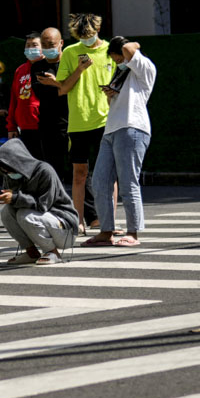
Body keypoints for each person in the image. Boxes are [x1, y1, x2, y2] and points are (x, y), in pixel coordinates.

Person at [43, 13, 116, 234]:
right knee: (79, 173)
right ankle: (79, 221)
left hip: (106, 120)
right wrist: (80, 69)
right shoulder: (70, 52)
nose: (86, 39)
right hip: (78, 121)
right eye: (81, 36)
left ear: (97, 31)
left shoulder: (110, 50)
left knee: (108, 174)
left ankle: (109, 221)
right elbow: (63, 89)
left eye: (89, 35)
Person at [84, 37, 157, 248]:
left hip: (132, 127)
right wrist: (111, 93)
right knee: (99, 181)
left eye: (117, 58)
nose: (117, 62)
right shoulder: (122, 74)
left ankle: (133, 232)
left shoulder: (144, 67)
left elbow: (128, 47)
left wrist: (127, 46)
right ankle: (106, 231)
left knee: (128, 182)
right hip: (111, 129)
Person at [0, 138, 79, 265]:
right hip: (44, 221)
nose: (9, 173)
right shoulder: (9, 176)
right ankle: (31, 252)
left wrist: (15, 197)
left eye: (10, 169)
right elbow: (16, 201)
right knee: (6, 212)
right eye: (5, 171)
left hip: (64, 228)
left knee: (24, 215)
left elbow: (43, 205)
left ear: (19, 161)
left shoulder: (44, 171)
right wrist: (8, 198)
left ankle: (52, 252)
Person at [32, 27, 70, 186]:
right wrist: (62, 86)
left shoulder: (69, 64)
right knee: (51, 169)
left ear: (61, 43)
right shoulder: (37, 67)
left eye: (51, 44)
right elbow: (43, 93)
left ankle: (85, 209)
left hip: (70, 123)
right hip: (47, 125)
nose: (48, 48)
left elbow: (70, 92)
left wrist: (55, 83)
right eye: (44, 45)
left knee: (78, 169)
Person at [6, 33, 43, 160]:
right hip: (24, 127)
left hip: (43, 126)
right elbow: (14, 100)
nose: (31, 48)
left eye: (35, 45)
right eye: (28, 45)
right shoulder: (20, 70)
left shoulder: (49, 67)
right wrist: (11, 126)